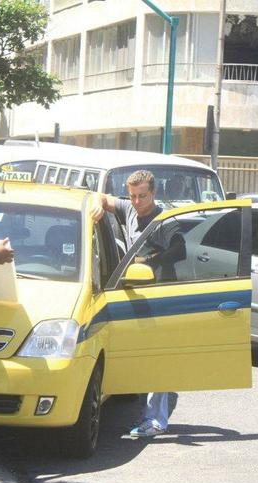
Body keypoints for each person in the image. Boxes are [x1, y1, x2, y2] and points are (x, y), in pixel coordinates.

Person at [90, 170, 174, 438]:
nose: (137, 202)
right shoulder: (128, 209)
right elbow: (102, 198)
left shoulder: (164, 220)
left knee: (158, 361)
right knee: (143, 360)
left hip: (160, 296)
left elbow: (180, 250)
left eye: (143, 196)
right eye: (133, 196)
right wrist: (96, 204)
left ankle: (156, 420)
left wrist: (147, 261)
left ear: (154, 193)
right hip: (135, 295)